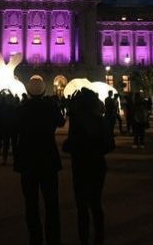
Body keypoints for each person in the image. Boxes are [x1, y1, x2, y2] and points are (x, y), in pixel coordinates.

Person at [14, 75, 65, 245]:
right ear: (44, 91)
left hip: (28, 160)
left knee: (31, 204)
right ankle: (53, 239)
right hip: (48, 160)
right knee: (52, 203)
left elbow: (13, 126)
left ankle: (35, 239)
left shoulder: (22, 109)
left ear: (28, 91)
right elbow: (61, 122)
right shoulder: (49, 108)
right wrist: (54, 105)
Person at [65, 89, 113, 245]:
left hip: (80, 165)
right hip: (98, 165)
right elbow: (109, 145)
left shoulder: (77, 121)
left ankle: (83, 238)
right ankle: (99, 238)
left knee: (81, 205)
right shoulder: (102, 120)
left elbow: (70, 144)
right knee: (96, 203)